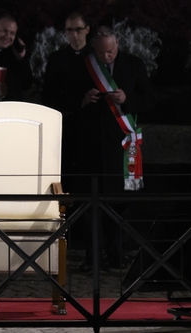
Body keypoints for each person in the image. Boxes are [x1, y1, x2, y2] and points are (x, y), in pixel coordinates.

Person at [65, 25, 155, 271]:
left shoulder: (134, 64)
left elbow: (149, 100)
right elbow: (65, 99)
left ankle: (117, 257)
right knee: (89, 206)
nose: (107, 57)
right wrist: (83, 100)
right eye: (102, 53)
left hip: (123, 146)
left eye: (112, 51)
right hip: (90, 147)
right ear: (93, 47)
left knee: (119, 203)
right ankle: (92, 259)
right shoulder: (82, 66)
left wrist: (127, 100)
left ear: (118, 44)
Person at [41, 11, 92, 179]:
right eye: (70, 30)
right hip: (65, 122)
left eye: (78, 29)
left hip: (90, 124)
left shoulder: (96, 57)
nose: (74, 35)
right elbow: (48, 94)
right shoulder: (57, 58)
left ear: (87, 30)